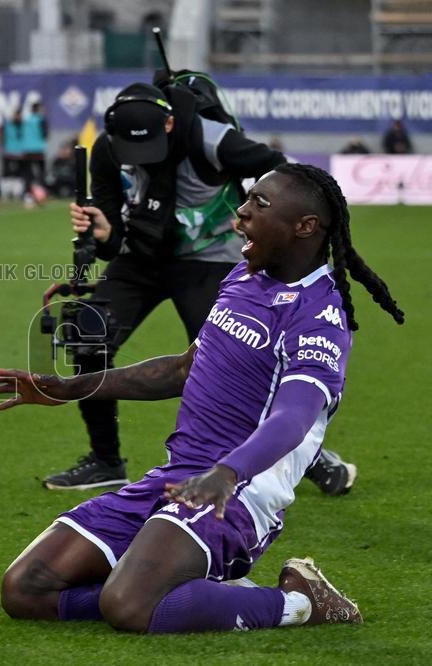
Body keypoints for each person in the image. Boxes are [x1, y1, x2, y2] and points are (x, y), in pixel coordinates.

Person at [0, 163, 405, 633]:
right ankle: (197, 590)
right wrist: (71, 387)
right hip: (176, 478)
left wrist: (227, 473)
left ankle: (301, 603)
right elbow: (186, 368)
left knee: (129, 606)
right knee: (25, 588)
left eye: (259, 205)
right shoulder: (244, 277)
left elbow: (294, 416)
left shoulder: (319, 316)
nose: (241, 213)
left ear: (305, 226)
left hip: (239, 492)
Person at [48, 82, 359, 498]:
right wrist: (103, 233)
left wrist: (254, 211)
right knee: (87, 334)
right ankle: (105, 461)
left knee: (233, 357)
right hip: (142, 255)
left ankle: (305, 453)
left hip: (208, 259)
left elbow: (287, 175)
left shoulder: (215, 141)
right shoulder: (107, 149)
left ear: (171, 123)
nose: (139, 158)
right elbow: (111, 232)